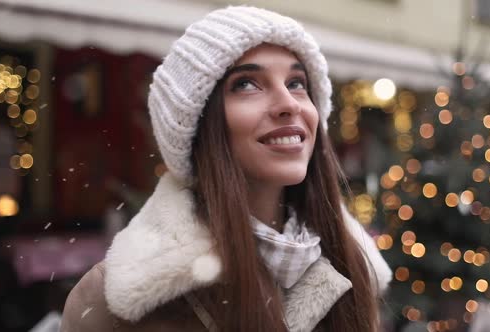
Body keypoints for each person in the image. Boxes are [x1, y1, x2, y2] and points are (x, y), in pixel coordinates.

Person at [60, 5, 392, 332]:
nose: (289, 103)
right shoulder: (117, 298)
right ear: (197, 125)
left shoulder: (352, 269)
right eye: (246, 84)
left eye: (296, 82)